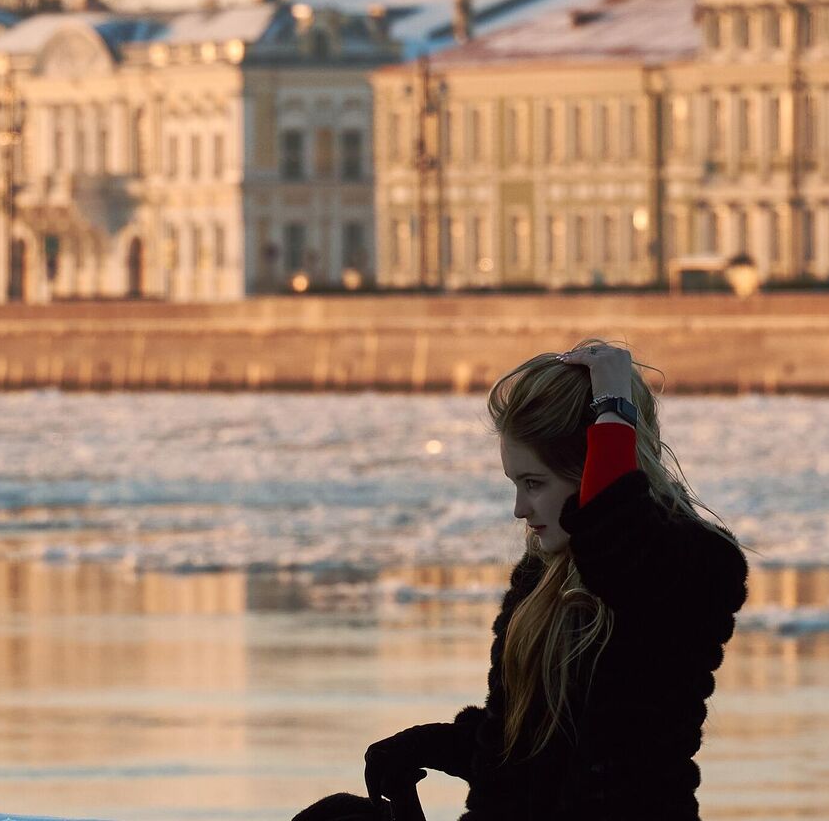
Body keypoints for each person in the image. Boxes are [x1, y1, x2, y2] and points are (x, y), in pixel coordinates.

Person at [294, 339, 750, 820]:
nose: (520, 509)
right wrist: (427, 746)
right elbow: (520, 756)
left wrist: (614, 408)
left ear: (588, 467)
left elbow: (617, 541)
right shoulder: (540, 579)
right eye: (515, 483)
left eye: (535, 484)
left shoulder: (691, 563)